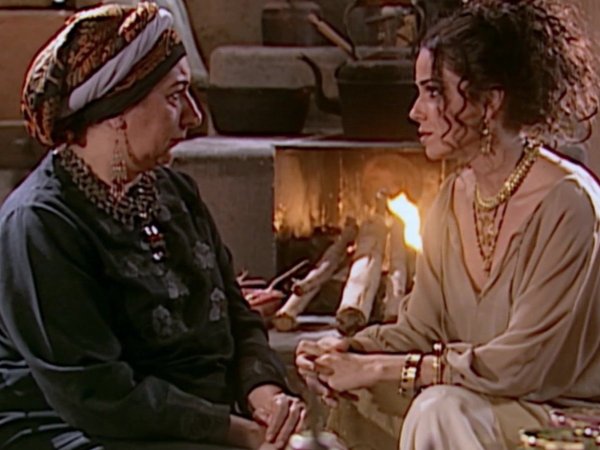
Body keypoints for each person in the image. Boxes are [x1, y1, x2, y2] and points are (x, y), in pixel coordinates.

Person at [296, 0, 600, 449]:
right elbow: (420, 330)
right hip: (478, 403)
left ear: (489, 103)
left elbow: (524, 366)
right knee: (352, 393)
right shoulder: (450, 201)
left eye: (433, 92)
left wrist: (382, 368)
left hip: (560, 420)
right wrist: (346, 351)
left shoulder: (568, 204)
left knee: (439, 409)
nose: (415, 111)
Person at [0, 3, 305, 449]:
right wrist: (241, 434)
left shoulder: (173, 193)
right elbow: (96, 394)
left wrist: (266, 396)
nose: (193, 116)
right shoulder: (40, 224)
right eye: (175, 96)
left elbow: (237, 316)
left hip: (198, 423)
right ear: (117, 108)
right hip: (88, 431)